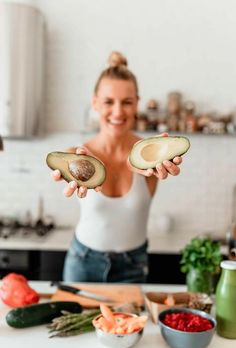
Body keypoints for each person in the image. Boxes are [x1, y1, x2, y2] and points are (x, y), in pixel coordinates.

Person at [51, 51, 182, 283]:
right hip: (83, 262)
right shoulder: (77, 154)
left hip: (133, 265)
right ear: (94, 103)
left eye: (127, 102)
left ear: (137, 104)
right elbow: (63, 166)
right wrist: (68, 173)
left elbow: (138, 163)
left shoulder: (149, 155)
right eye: (108, 102)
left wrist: (152, 162)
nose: (118, 112)